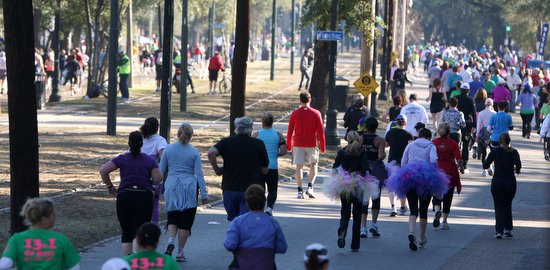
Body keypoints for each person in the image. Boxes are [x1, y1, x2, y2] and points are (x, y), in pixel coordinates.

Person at [385, 125, 450, 250]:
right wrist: (432, 171)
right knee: (424, 210)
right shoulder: (431, 146)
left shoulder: (410, 145)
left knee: (413, 209)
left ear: (419, 136)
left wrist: (408, 170)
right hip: (426, 178)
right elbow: (434, 161)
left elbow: (404, 162)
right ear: (429, 137)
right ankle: (421, 238)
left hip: (409, 176)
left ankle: (411, 232)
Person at [100, 131, 163, 256]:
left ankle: (127, 262)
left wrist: (110, 187)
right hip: (143, 197)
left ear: (129, 143)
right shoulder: (149, 160)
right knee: (139, 231)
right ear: (142, 144)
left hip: (125, 197)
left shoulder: (122, 158)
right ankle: (135, 257)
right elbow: (159, 178)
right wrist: (149, 183)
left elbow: (103, 171)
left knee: (126, 232)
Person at [160, 123, 208, 262]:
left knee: (173, 216)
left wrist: (154, 186)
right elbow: (199, 174)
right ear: (191, 135)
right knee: (186, 221)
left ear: (177, 133)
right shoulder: (194, 152)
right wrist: (204, 195)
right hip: (189, 187)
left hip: (172, 185)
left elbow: (161, 170)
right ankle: (180, 252)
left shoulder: (168, 149)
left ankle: (170, 240)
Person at [323, 131, 377, 251]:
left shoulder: (342, 152)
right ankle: (355, 244)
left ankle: (342, 234)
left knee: (345, 212)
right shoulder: (361, 152)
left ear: (347, 139)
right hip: (358, 185)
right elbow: (365, 169)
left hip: (344, 184)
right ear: (358, 140)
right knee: (357, 215)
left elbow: (335, 168)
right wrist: (369, 170)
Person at [208, 117, 269, 221]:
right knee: (247, 222)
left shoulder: (227, 142)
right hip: (250, 190)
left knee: (234, 222)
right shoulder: (258, 144)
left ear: (236, 128)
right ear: (251, 129)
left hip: (230, 189)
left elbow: (211, 153)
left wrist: (217, 170)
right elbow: (265, 170)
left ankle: (235, 237)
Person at [0, 198, 82, 270]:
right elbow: (75, 268)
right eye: (53, 215)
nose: (55, 217)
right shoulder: (61, 239)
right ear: (44, 219)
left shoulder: (17, 239)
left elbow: (4, 265)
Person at [224, 184, 288, 270]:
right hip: (266, 264)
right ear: (265, 202)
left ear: (247, 203)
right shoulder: (273, 222)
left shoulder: (238, 221)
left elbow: (230, 245)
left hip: (244, 264)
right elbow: (282, 248)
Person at [287, 91, 326, 199]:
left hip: (298, 143)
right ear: (310, 100)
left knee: (299, 167)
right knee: (313, 164)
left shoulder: (295, 113)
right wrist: (323, 146)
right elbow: (321, 131)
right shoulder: (316, 113)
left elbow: (290, 131)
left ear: (300, 100)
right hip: (312, 143)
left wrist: (289, 145)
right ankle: (310, 187)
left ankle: (299, 190)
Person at [483, 133, 521, 239]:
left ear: (500, 141)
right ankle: (508, 229)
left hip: (497, 181)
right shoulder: (514, 152)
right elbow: (518, 165)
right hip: (510, 181)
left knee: (499, 206)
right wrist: (516, 169)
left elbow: (486, 165)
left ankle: (499, 231)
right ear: (509, 141)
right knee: (508, 205)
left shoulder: (495, 151)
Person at [252, 112, 288, 216]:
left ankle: (260, 208)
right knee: (272, 189)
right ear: (272, 122)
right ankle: (269, 208)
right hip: (272, 166)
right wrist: (276, 154)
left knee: (260, 189)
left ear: (262, 122)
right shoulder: (278, 134)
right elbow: (284, 151)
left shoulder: (256, 134)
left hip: (260, 167)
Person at [431, 123, 465, 230]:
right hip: (449, 170)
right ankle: (444, 221)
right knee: (448, 195)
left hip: (437, 169)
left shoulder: (433, 142)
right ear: (449, 132)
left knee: (436, 192)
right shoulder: (453, 143)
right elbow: (459, 158)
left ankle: (437, 210)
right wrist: (462, 168)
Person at [358, 117, 387, 238]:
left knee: (364, 198)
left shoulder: (360, 139)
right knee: (376, 197)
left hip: (363, 169)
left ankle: (363, 227)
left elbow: (358, 153)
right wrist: (383, 153)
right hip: (375, 170)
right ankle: (374, 224)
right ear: (376, 127)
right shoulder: (380, 140)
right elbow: (380, 156)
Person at [139, 117, 167, 224]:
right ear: (157, 127)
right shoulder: (160, 140)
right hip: (153, 175)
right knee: (154, 204)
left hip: (139, 174)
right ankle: (153, 229)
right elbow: (162, 159)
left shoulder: (140, 139)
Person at [384, 114, 413, 216]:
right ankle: (402, 207)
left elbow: (386, 144)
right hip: (404, 164)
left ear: (396, 122)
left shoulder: (390, 133)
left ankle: (393, 207)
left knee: (391, 185)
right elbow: (410, 148)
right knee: (403, 186)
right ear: (405, 123)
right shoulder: (408, 135)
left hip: (392, 162)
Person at [455, 83, 477, 172]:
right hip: (467, 123)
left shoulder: (456, 98)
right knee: (465, 143)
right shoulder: (471, 100)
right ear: (468, 91)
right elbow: (474, 114)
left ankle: (456, 161)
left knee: (456, 144)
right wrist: (474, 125)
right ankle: (464, 163)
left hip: (457, 123)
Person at [476, 98, 496, 176]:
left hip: (483, 132)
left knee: (484, 153)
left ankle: (484, 170)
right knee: (492, 152)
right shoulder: (494, 113)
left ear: (485, 104)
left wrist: (477, 135)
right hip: (492, 133)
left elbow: (478, 125)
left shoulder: (481, 113)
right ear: (492, 104)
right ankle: (491, 167)